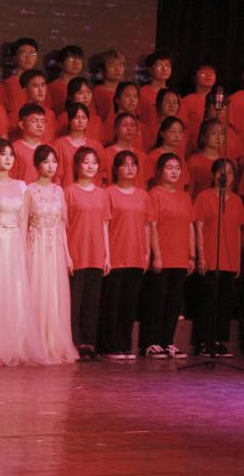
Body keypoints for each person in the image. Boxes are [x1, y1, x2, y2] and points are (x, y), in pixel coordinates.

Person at [0, 138, 43, 366]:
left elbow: (22, 220)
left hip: (13, 240)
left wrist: (24, 247)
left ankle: (16, 345)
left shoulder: (21, 186)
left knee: (15, 292)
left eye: (11, 154)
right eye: (3, 154)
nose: (8, 158)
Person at [25, 145, 79, 364]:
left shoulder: (59, 191)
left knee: (55, 296)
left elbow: (61, 226)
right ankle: (36, 344)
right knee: (37, 293)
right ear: (37, 164)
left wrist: (67, 255)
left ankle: (55, 343)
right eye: (46, 161)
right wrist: (23, 254)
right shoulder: (29, 190)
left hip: (55, 249)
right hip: (35, 247)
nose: (50, 166)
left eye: (54, 161)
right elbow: (23, 224)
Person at [98, 150, 151, 359]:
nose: (130, 168)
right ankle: (109, 345)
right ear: (116, 169)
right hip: (116, 255)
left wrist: (147, 252)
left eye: (133, 164)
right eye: (125, 164)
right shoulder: (108, 193)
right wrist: (106, 255)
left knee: (129, 304)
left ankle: (124, 344)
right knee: (112, 303)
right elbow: (104, 225)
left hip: (136, 255)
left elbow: (146, 226)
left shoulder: (143, 195)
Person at [141, 153, 194, 359]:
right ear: (160, 171)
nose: (174, 171)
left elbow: (189, 226)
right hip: (163, 256)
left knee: (173, 303)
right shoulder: (155, 194)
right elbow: (152, 226)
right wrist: (157, 255)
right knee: (157, 300)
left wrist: (192, 256)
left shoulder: (184, 196)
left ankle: (167, 341)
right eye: (169, 167)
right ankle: (151, 342)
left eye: (177, 168)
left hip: (180, 257)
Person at [64, 146, 110, 360]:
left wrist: (107, 255)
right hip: (76, 252)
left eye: (94, 162)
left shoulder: (102, 194)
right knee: (75, 302)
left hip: (96, 254)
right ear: (77, 165)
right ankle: (74, 342)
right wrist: (67, 255)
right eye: (86, 162)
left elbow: (104, 225)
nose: (91, 166)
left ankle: (88, 343)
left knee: (92, 301)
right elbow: (64, 226)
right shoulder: (69, 192)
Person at [192, 159, 241, 357]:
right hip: (210, 258)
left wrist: (237, 260)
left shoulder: (237, 201)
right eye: (221, 171)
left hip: (229, 260)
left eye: (229, 172)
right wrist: (201, 257)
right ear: (213, 175)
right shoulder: (204, 197)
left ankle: (219, 340)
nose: (225, 175)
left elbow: (237, 231)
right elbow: (199, 228)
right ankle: (204, 341)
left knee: (225, 302)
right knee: (208, 301)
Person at [55, 102, 104, 187]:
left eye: (84, 118)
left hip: (91, 191)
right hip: (67, 190)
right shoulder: (59, 144)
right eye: (77, 117)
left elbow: (102, 174)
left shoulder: (96, 146)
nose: (81, 121)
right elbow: (56, 176)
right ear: (69, 120)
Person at [9, 69, 56, 142]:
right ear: (25, 90)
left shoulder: (50, 113)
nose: (41, 90)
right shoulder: (15, 114)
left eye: (43, 85)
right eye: (36, 86)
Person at [4, 37, 48, 112]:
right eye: (23, 53)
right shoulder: (8, 84)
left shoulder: (42, 84)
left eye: (32, 53)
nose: (28, 57)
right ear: (14, 58)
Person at [102, 113, 146, 187]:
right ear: (116, 129)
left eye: (132, 125)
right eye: (125, 125)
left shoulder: (142, 156)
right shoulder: (106, 154)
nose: (129, 129)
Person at [12, 104, 48, 183]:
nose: (40, 125)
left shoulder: (49, 149)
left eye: (42, 121)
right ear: (22, 124)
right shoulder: (14, 149)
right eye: (34, 121)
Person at [47, 45, 84, 116]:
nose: (76, 62)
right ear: (61, 64)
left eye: (79, 58)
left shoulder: (85, 87)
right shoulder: (51, 87)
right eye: (71, 59)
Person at [139, 51, 172, 129]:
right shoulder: (142, 93)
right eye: (159, 65)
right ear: (150, 69)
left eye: (167, 65)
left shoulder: (173, 94)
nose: (164, 69)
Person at [92, 49, 125, 121]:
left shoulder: (127, 90)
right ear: (102, 69)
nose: (118, 69)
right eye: (112, 65)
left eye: (120, 65)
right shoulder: (96, 92)